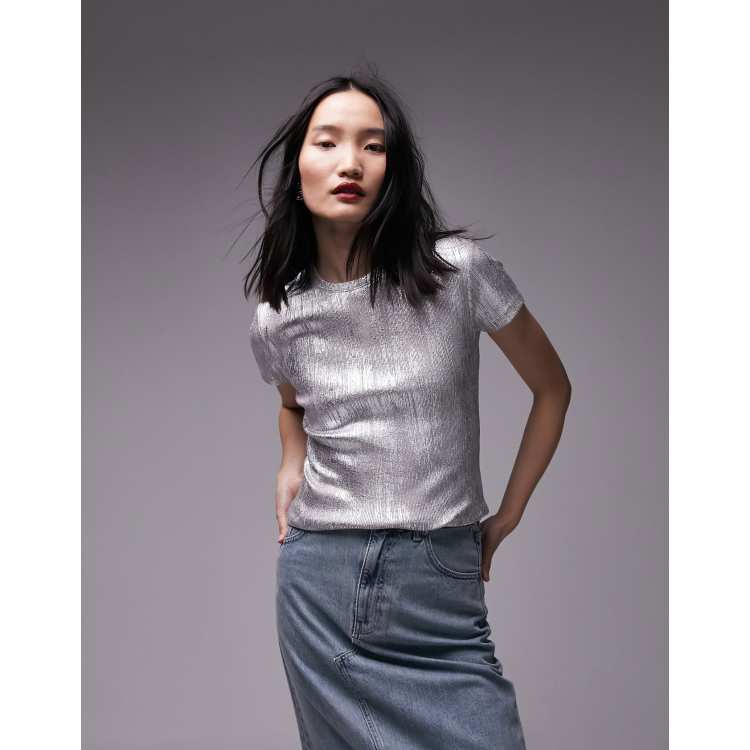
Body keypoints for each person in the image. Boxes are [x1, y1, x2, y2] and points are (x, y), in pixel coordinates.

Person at [244, 69, 571, 749]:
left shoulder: (460, 272)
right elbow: (291, 406)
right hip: (319, 581)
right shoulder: (280, 314)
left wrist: (508, 513)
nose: (351, 162)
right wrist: (290, 460)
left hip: (439, 579)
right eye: (328, 142)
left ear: (393, 170)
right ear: (298, 169)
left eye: (373, 145)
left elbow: (552, 389)